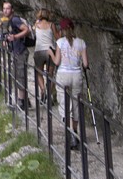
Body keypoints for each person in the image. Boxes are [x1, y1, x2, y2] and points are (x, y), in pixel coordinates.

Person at [48, 17, 88, 148]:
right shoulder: (81, 43)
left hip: (63, 74)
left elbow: (57, 62)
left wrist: (51, 53)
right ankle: (75, 133)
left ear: (62, 30)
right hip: (76, 75)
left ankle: (71, 135)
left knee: (65, 103)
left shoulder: (60, 42)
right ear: (73, 28)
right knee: (76, 103)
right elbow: (86, 63)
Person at [1, 1, 33, 110]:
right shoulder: (9, 21)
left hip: (20, 51)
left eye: (8, 8)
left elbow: (26, 30)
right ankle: (24, 100)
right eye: (4, 8)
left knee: (20, 75)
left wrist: (15, 37)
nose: (5, 10)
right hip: (16, 51)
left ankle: (21, 103)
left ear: (12, 10)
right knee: (18, 75)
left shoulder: (15, 20)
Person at [33, 8, 57, 103]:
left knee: (39, 73)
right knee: (50, 74)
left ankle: (43, 90)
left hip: (39, 51)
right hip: (50, 50)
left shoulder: (36, 25)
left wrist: (36, 22)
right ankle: (49, 94)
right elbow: (57, 37)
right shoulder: (51, 25)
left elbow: (32, 32)